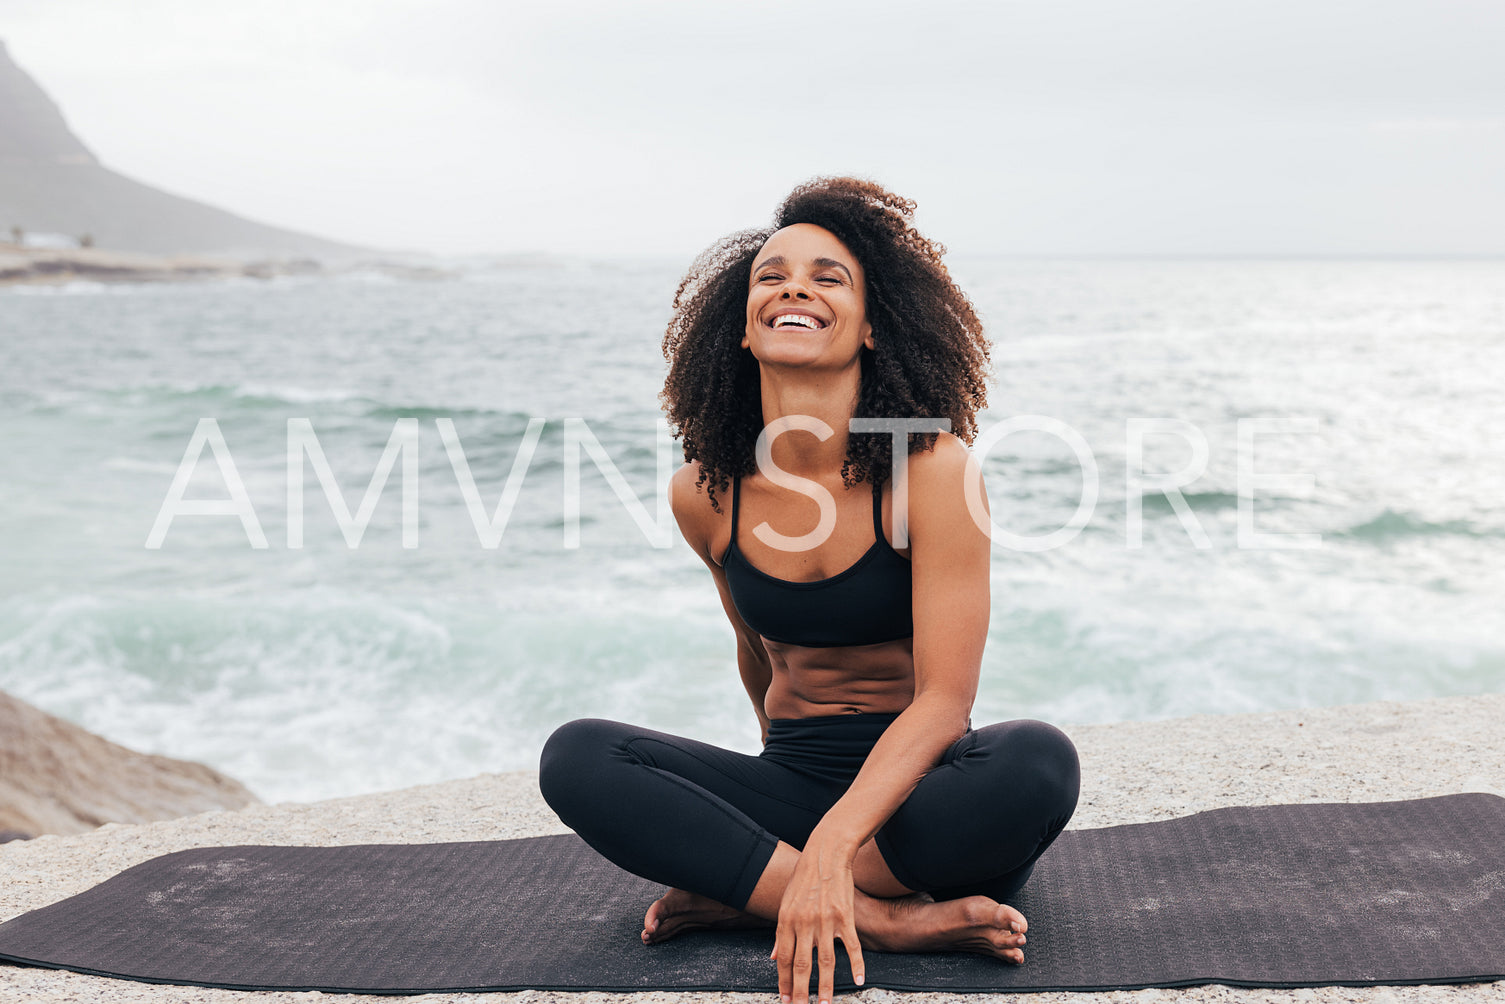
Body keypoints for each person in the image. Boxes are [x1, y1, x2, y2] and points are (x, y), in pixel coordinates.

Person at [540, 177, 1079, 1004]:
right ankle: (889, 921)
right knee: (577, 755)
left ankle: (760, 893)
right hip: (792, 784)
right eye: (772, 275)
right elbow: (757, 659)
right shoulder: (706, 493)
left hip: (919, 803)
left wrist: (816, 851)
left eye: (829, 277)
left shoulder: (931, 473)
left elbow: (943, 700)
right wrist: (786, 825)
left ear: (870, 328)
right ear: (744, 331)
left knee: (1037, 761)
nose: (795, 286)